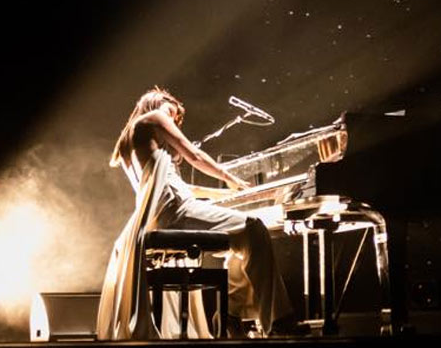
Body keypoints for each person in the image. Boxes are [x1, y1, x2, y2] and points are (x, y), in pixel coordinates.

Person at [96, 86, 302, 339]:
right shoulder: (155, 116)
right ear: (158, 103)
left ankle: (233, 317)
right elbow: (193, 155)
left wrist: (227, 194)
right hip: (176, 211)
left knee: (240, 241)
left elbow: (182, 186)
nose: (172, 120)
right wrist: (228, 177)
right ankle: (279, 319)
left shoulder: (130, 139)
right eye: (172, 113)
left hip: (164, 213)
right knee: (254, 228)